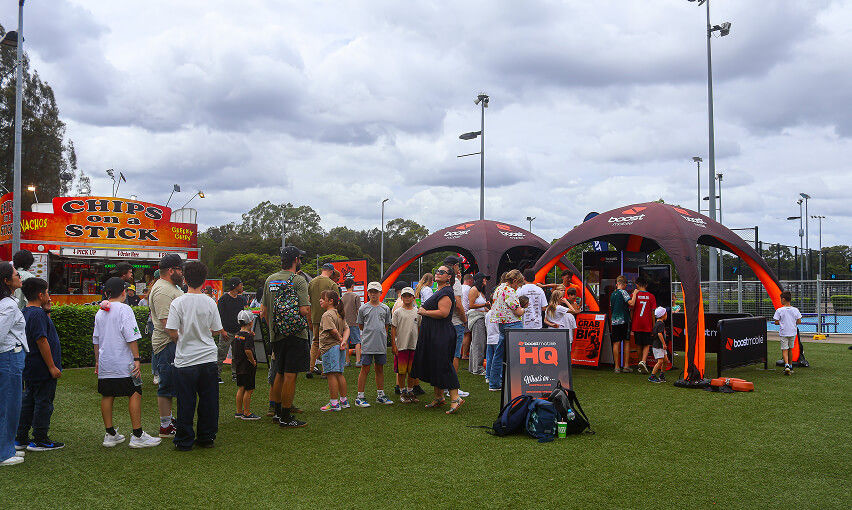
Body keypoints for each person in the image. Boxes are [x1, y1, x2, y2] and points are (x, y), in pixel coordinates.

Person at [165, 261, 227, 450]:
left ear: (184, 279)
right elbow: (217, 330)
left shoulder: (178, 302)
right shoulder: (210, 301)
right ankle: (206, 437)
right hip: (207, 357)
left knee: (186, 401)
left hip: (185, 360)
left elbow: (171, 330)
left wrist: (181, 340)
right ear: (204, 280)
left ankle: (184, 440)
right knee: (209, 401)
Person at [93, 277, 161, 449]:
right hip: (123, 362)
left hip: (106, 362)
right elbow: (131, 337)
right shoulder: (125, 309)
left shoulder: (100, 312)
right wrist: (137, 359)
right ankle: (137, 435)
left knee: (107, 395)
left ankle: (110, 434)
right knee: (135, 392)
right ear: (123, 292)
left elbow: (96, 340)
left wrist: (97, 362)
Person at [261, 246, 310, 428]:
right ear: (296, 259)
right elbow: (304, 310)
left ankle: (276, 411)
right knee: (290, 375)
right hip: (295, 333)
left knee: (279, 373)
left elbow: (264, 312)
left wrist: (274, 328)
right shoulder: (298, 280)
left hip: (277, 334)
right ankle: (286, 417)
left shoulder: (270, 280)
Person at [16, 278, 63, 452]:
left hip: (31, 366)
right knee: (43, 402)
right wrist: (52, 366)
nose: (49, 296)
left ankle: (21, 437)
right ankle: (40, 438)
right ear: (41, 294)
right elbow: (42, 340)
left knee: (29, 400)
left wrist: (47, 310)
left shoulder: (27, 311)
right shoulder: (37, 314)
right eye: (47, 293)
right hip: (42, 368)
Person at [411, 265, 464, 414]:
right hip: (434, 333)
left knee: (444, 364)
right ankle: (439, 397)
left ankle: (455, 398)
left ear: (449, 277)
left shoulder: (447, 291)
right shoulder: (440, 290)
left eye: (442, 272)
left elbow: (444, 312)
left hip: (442, 333)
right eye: (437, 271)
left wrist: (425, 312)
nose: (438, 273)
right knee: (435, 364)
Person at [147, 254, 184, 438]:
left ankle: (169, 420)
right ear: (171, 271)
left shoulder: (169, 287)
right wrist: (182, 343)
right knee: (167, 386)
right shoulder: (162, 290)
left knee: (171, 386)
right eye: (179, 269)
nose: (182, 273)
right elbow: (167, 324)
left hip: (172, 344)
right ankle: (165, 426)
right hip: (168, 344)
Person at [0, 262, 27, 466]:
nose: (20, 277)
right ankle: (4, 452)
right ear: (7, 280)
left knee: (9, 405)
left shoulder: (7, 302)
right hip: (9, 357)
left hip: (10, 356)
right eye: (16, 274)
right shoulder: (8, 305)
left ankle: (6, 448)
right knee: (9, 406)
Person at [355, 282, 393, 407]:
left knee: (379, 368)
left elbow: (386, 325)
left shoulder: (385, 308)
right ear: (367, 293)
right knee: (365, 368)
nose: (373, 294)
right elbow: (361, 325)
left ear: (381, 293)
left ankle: (380, 395)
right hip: (367, 344)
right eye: (371, 291)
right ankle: (360, 396)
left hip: (380, 344)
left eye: (376, 292)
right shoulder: (363, 308)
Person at [487, 270, 526, 391]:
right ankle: (518, 382)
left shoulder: (499, 288)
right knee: (518, 355)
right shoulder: (509, 291)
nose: (518, 287)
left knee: (498, 355)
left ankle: (494, 383)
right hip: (513, 324)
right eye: (518, 284)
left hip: (502, 324)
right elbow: (517, 310)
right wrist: (524, 309)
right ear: (514, 281)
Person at [318, 290, 350, 411]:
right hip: (339, 347)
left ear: (330, 301)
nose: (320, 300)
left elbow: (333, 331)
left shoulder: (327, 315)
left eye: (322, 298)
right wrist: (343, 341)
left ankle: (334, 403)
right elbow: (347, 329)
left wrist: (340, 339)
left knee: (331, 374)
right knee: (339, 373)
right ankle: (343, 400)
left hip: (330, 347)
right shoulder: (338, 313)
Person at [307, 263, 340, 378]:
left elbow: (308, 300)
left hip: (315, 316)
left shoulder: (311, 282)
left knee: (315, 342)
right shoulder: (332, 284)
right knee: (326, 344)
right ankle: (325, 371)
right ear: (331, 272)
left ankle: (311, 368)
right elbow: (338, 303)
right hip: (329, 317)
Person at [444, 257, 470, 398]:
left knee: (446, 355)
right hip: (456, 323)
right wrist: (464, 319)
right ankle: (452, 387)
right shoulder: (456, 283)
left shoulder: (442, 281)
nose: (459, 268)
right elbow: (458, 304)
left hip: (445, 323)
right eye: (458, 265)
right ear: (454, 266)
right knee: (454, 355)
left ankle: (444, 387)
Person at [392, 287, 420, 403]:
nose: (407, 298)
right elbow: (393, 329)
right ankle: (403, 392)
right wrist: (394, 345)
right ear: (401, 297)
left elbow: (419, 328)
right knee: (401, 371)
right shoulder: (398, 312)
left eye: (410, 296)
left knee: (412, 372)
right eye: (405, 296)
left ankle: (410, 391)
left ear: (413, 298)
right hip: (401, 346)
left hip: (413, 346)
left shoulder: (417, 312)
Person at [217, 277, 247, 382]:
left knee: (237, 355)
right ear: (235, 286)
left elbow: (242, 316)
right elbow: (219, 316)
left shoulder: (241, 300)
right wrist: (222, 331)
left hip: (238, 331)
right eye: (241, 284)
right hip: (226, 331)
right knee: (221, 353)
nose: (242, 286)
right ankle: (217, 374)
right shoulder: (223, 299)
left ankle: (235, 374)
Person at [233, 310, 259, 420]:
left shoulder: (237, 335)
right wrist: (252, 361)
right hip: (247, 366)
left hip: (238, 365)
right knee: (249, 389)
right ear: (250, 323)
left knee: (241, 388)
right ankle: (247, 412)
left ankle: (239, 411)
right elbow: (248, 350)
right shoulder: (248, 336)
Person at [629, 276, 656, 374]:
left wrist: (633, 321)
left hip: (637, 323)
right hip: (647, 324)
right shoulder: (651, 296)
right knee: (646, 344)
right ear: (647, 285)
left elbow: (631, 310)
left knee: (638, 344)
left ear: (636, 284)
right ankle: (643, 362)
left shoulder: (634, 295)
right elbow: (653, 313)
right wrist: (653, 325)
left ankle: (640, 365)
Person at [773, 291, 802, 376]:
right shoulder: (795, 310)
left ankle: (786, 365)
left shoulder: (779, 310)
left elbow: (776, 321)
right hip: (793, 332)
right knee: (790, 349)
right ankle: (791, 365)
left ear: (783, 299)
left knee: (784, 349)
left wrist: (781, 322)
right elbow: (799, 321)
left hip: (784, 332)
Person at [466, 273, 489, 376]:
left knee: (475, 344)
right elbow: (471, 305)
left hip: (481, 317)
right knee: (479, 344)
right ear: (480, 280)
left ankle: (473, 367)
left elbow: (481, 307)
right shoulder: (474, 290)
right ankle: (478, 368)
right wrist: (485, 304)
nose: (486, 281)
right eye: (484, 279)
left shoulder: (479, 291)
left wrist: (488, 310)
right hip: (477, 319)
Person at [609, 275, 632, 373]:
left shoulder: (612, 294)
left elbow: (611, 307)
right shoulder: (624, 292)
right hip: (624, 320)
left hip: (614, 321)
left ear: (617, 283)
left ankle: (617, 367)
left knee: (616, 343)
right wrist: (634, 294)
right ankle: (626, 366)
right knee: (626, 342)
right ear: (624, 284)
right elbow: (631, 303)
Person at [341, 278, 362, 367]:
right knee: (357, 342)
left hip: (345, 323)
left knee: (345, 342)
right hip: (354, 322)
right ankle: (358, 361)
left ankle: (347, 361)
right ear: (352, 286)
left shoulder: (342, 297)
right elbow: (359, 311)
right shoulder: (356, 296)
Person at [648, 307, 669, 383]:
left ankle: (662, 375)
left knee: (665, 360)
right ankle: (652, 376)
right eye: (666, 313)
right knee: (660, 361)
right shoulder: (661, 324)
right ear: (663, 315)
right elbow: (660, 334)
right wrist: (664, 344)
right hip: (658, 346)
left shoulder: (658, 323)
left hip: (659, 346)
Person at [483, 309, 499, 387]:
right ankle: (496, 378)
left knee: (489, 359)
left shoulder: (488, 314)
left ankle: (488, 376)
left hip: (490, 338)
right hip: (497, 338)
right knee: (497, 360)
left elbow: (486, 325)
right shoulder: (499, 313)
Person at [459, 273, 474, 360]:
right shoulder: (469, 289)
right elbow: (470, 302)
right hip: (466, 313)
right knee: (467, 334)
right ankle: (464, 354)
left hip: (459, 312)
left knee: (460, 333)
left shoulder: (459, 287)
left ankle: (458, 352)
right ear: (470, 280)